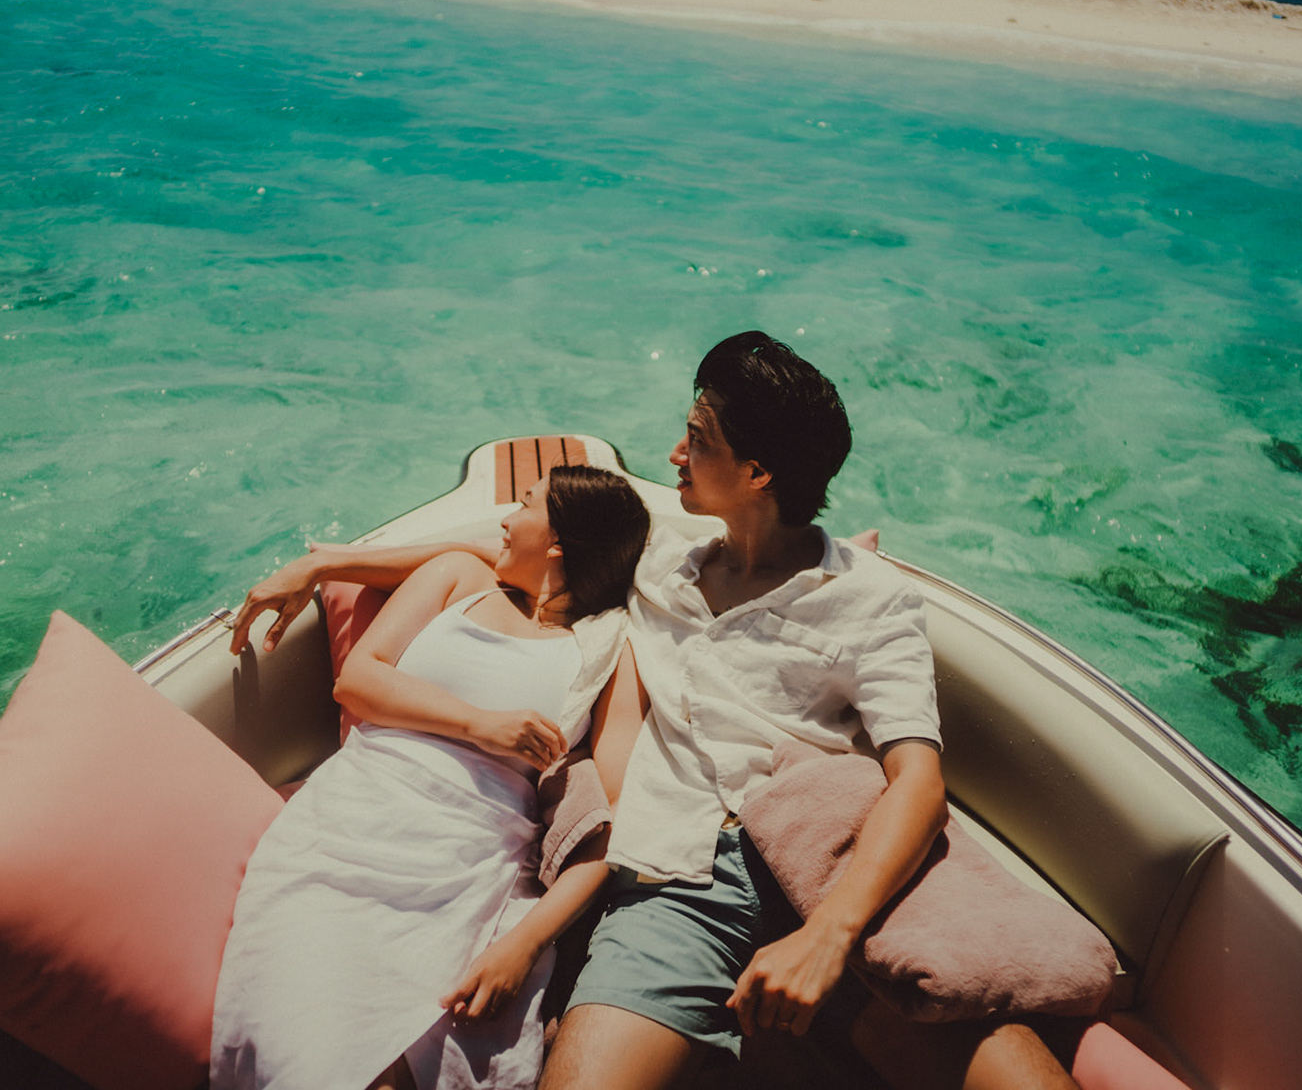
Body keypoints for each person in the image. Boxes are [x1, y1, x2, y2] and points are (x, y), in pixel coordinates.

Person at [240, 334, 1082, 1090]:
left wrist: (829, 935)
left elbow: (917, 781)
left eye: (700, 440)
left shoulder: (874, 602)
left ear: (759, 473)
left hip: (820, 864)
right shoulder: (661, 555)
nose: (675, 454)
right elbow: (506, 549)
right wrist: (329, 566)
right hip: (671, 882)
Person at [214, 466, 650, 1090]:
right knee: (308, 1048)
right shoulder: (460, 577)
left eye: (523, 505)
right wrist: (479, 724)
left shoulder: (608, 652)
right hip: (351, 827)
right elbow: (359, 679)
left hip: (472, 862)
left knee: (399, 1072)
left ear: (556, 542)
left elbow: (614, 824)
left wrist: (523, 944)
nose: (503, 518)